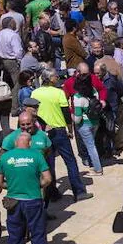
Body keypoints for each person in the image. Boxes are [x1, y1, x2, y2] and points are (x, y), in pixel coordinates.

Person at [0, 130, 54, 244]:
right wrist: (37, 185)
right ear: (29, 143)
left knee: (15, 235)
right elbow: (48, 179)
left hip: (14, 201)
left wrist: (12, 186)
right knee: (38, 234)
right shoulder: (37, 156)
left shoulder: (5, 158)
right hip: (33, 200)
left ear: (15, 143)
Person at [30, 68, 90, 203]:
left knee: (48, 164)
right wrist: (70, 129)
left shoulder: (35, 92)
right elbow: (66, 113)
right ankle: (79, 191)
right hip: (58, 131)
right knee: (70, 161)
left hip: (43, 132)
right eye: (56, 76)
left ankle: (52, 193)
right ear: (50, 79)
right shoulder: (58, 93)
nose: (58, 78)